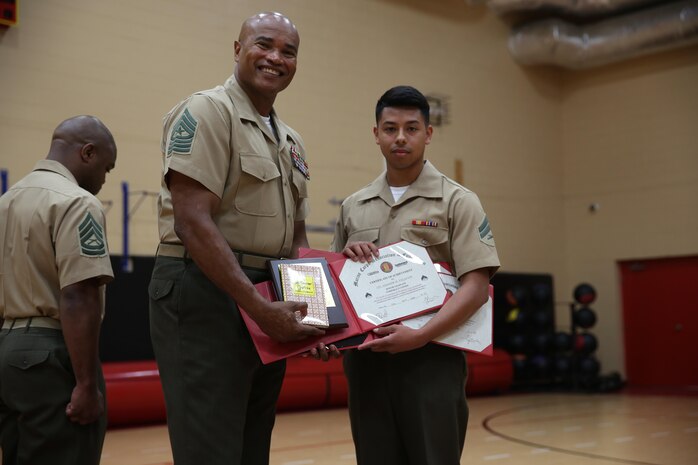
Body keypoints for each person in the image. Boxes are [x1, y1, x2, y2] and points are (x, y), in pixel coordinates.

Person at [149, 12, 325, 465]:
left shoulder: (291, 140)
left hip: (266, 293)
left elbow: (297, 235)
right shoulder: (206, 111)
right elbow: (192, 221)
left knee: (251, 447)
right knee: (211, 447)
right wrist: (258, 307)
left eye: (289, 52)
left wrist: (317, 316)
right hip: (207, 291)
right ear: (236, 49)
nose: (275, 58)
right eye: (264, 44)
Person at [331, 85, 501, 465]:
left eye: (411, 128)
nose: (401, 138)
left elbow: (476, 287)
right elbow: (337, 287)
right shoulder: (353, 206)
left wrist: (421, 336)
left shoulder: (458, 201)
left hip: (432, 361)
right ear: (376, 134)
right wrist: (346, 259)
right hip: (367, 365)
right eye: (390, 129)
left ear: (428, 133)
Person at [0, 115, 117, 465]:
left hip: (5, 351)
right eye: (106, 168)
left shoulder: (6, 202)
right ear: (88, 152)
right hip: (50, 355)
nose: (103, 179)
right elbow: (78, 295)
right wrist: (84, 384)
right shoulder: (78, 203)